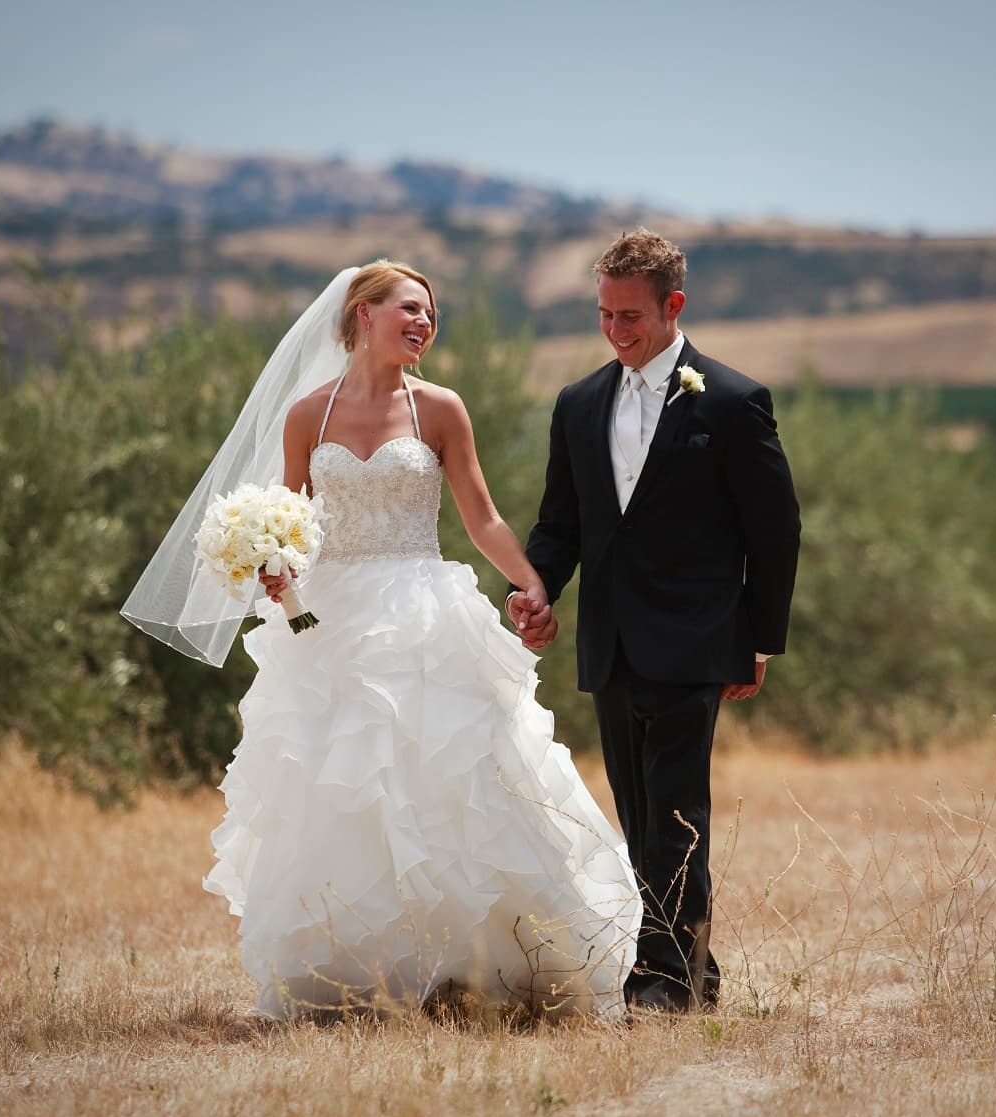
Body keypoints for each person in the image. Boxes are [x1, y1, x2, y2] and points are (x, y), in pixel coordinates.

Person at [123, 261, 639, 1020]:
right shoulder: (306, 416)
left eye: (430, 314)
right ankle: (357, 972)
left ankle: (476, 969)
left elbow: (483, 518)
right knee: (343, 794)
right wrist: (277, 573)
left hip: (425, 611)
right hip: (328, 626)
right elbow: (289, 526)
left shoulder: (439, 408)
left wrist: (532, 586)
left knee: (450, 781)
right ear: (363, 313)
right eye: (410, 309)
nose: (425, 323)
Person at [509, 230, 801, 1014]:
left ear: (674, 306)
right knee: (638, 818)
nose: (615, 330)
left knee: (676, 811)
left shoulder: (736, 402)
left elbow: (774, 532)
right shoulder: (576, 406)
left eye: (630, 315)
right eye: (604, 314)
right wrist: (536, 590)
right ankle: (690, 970)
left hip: (697, 640)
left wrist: (758, 640)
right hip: (610, 643)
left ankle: (664, 979)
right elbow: (560, 524)